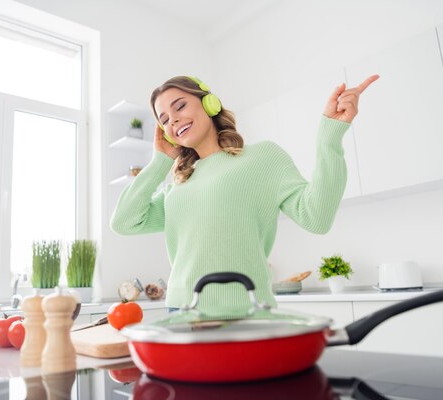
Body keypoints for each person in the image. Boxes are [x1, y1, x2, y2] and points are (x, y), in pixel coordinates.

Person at [110, 74, 378, 313]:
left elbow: (316, 217)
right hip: (181, 312)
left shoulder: (263, 158)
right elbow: (123, 222)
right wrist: (160, 162)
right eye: (164, 120)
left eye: (180, 106)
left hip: (246, 312)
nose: (174, 119)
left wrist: (329, 137)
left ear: (209, 103)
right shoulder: (177, 188)